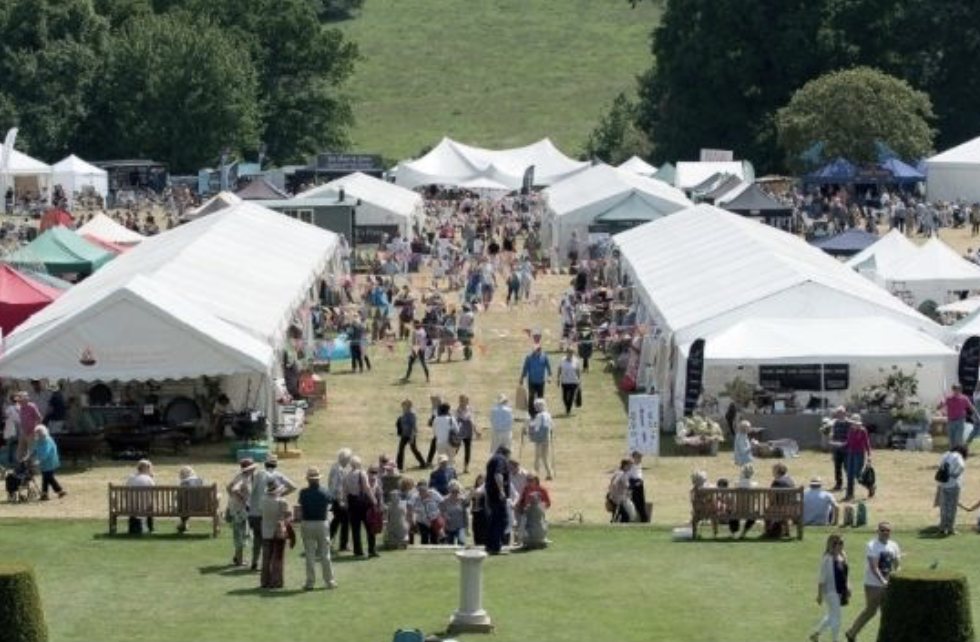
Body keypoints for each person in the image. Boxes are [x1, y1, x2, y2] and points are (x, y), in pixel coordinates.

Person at [844, 522, 901, 642]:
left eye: (887, 530)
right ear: (878, 531)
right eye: (882, 530)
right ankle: (852, 633)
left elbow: (897, 565)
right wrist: (883, 581)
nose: (885, 532)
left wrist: (897, 579)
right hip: (873, 584)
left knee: (888, 611)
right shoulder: (872, 545)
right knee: (871, 611)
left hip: (889, 584)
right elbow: (874, 567)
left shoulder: (894, 545)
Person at [248, 455, 297, 570]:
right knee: (272, 540)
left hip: (256, 511)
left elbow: (251, 491)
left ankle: (255, 562)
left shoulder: (259, 474)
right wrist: (278, 496)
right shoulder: (279, 475)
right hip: (271, 512)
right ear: (276, 465)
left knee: (258, 538)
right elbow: (293, 487)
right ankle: (271, 565)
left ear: (265, 464)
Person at [298, 467, 337, 590]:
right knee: (325, 555)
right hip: (321, 523)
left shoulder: (303, 492)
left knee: (309, 555)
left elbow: (300, 504)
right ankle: (329, 581)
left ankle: (310, 583)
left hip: (307, 523)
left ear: (308, 480)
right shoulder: (325, 491)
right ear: (318, 479)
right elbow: (331, 503)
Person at [810, 534, 850, 642]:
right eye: (836, 543)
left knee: (831, 615)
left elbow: (845, 574)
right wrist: (819, 595)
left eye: (841, 543)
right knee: (837, 618)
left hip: (840, 591)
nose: (839, 545)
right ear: (831, 545)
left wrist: (848, 587)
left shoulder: (843, 556)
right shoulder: (827, 559)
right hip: (830, 592)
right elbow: (821, 579)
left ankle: (816, 633)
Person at [343, 456, 379, 558]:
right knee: (370, 527)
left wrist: (345, 502)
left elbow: (344, 490)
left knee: (355, 528)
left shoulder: (347, 475)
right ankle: (371, 550)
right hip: (363, 503)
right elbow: (367, 488)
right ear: (359, 464)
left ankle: (358, 551)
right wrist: (374, 500)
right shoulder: (361, 473)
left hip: (352, 503)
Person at [259, 479, 292, 589]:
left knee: (266, 558)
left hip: (266, 532)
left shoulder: (263, 500)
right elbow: (287, 517)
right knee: (277, 558)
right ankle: (276, 582)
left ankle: (264, 582)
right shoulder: (282, 501)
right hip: (278, 533)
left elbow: (262, 512)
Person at [226, 458, 258, 566]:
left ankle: (237, 558)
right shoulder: (243, 478)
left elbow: (228, 487)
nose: (254, 469)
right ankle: (239, 560)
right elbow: (234, 489)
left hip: (237, 509)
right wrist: (244, 499)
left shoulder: (242, 476)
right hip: (240, 511)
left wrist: (232, 499)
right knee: (241, 534)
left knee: (241, 534)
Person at [484, 445, 512, 554]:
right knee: (502, 520)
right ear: (506, 454)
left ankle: (489, 545)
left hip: (491, 495)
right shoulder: (501, 459)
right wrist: (501, 490)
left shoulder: (493, 459)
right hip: (497, 496)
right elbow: (498, 474)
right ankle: (495, 546)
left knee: (493, 520)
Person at [936, 445, 967, 536]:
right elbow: (961, 466)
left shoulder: (946, 454)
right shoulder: (959, 457)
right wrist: (954, 474)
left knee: (944, 507)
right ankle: (950, 528)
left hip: (943, 484)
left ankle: (942, 527)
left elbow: (940, 465)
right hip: (954, 485)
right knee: (952, 508)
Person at [29, 425, 65, 501]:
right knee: (46, 478)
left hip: (50, 461)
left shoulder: (47, 440)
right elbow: (35, 450)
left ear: (43, 432)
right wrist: (28, 456)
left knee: (49, 477)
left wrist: (38, 461)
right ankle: (46, 495)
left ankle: (59, 491)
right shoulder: (38, 440)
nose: (38, 434)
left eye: (39, 433)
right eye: (37, 433)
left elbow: (46, 453)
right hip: (44, 463)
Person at [938, 383, 976, 449]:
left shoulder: (964, 398)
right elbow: (938, 407)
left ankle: (958, 453)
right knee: (951, 440)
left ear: (960, 390)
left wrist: (977, 416)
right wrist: (940, 403)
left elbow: (971, 407)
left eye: (958, 389)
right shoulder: (948, 398)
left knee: (958, 439)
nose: (956, 391)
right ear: (952, 390)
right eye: (954, 389)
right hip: (950, 421)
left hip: (960, 421)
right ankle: (953, 454)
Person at [844, 414, 873, 501]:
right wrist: (839, 445)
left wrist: (869, 455)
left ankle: (870, 487)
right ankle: (849, 494)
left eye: (855, 423)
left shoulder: (863, 431)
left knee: (858, 475)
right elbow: (848, 443)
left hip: (859, 454)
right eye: (852, 423)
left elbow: (867, 443)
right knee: (849, 474)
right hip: (851, 453)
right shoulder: (851, 430)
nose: (853, 425)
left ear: (858, 423)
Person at [328, 448, 352, 553]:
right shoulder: (338, 469)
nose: (349, 461)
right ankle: (343, 545)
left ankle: (326, 541)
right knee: (345, 521)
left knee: (336, 521)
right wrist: (340, 500)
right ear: (345, 459)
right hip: (338, 499)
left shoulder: (339, 467)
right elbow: (336, 487)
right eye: (348, 459)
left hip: (337, 499)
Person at [525, 399, 554, 480]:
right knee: (545, 457)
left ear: (541, 406)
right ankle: (549, 474)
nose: (535, 408)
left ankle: (536, 474)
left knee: (537, 457)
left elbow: (535, 426)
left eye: (537, 406)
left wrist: (528, 424)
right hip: (547, 437)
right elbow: (552, 425)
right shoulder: (548, 414)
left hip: (539, 438)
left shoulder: (539, 415)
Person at [520, 345, 551, 417]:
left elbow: (548, 367)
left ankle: (540, 413)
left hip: (541, 381)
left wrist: (549, 376)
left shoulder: (544, 357)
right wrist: (522, 378)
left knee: (540, 397)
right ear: (534, 350)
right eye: (537, 350)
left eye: (540, 350)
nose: (539, 352)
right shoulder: (529, 357)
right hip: (532, 381)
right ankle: (531, 413)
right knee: (531, 396)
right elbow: (525, 368)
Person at [409, 480, 445, 544]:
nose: (421, 491)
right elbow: (410, 506)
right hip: (422, 521)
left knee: (434, 538)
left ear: (427, 488)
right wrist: (412, 518)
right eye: (419, 489)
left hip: (434, 520)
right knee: (424, 538)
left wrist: (441, 513)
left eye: (423, 489)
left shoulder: (434, 493)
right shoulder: (415, 496)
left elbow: (442, 502)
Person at [395, 399, 426, 471]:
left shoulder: (412, 415)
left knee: (414, 449)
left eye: (404, 405)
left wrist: (412, 437)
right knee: (400, 450)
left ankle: (423, 463)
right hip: (404, 435)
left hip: (410, 435)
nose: (402, 407)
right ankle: (399, 467)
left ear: (408, 406)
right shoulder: (403, 414)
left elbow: (413, 427)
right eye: (402, 406)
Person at [126, 459, 155, 534]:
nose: (150, 470)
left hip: (131, 507)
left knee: (134, 501)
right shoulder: (149, 479)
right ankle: (150, 527)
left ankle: (132, 527)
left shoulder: (131, 478)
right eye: (150, 468)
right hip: (145, 507)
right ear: (146, 468)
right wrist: (152, 478)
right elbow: (153, 493)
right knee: (150, 503)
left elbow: (126, 494)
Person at [828, 407, 851, 491]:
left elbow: (851, 437)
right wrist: (832, 443)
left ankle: (850, 483)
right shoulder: (835, 423)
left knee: (847, 468)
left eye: (841, 413)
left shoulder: (849, 423)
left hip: (846, 450)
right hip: (837, 450)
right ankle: (838, 484)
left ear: (844, 413)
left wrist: (844, 443)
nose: (839, 414)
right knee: (837, 468)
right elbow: (833, 435)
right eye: (838, 413)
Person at [440, 480, 470, 545]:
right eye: (453, 491)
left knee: (461, 545)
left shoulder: (462, 500)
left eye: (457, 491)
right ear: (449, 491)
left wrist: (467, 528)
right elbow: (442, 513)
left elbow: (466, 515)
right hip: (449, 527)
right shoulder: (444, 500)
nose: (455, 493)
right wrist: (445, 516)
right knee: (449, 547)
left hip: (460, 527)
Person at [15, 391, 42, 462]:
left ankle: (35, 469)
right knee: (20, 451)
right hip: (23, 431)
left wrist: (35, 429)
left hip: (31, 432)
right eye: (18, 400)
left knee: (32, 451)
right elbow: (21, 420)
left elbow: (39, 418)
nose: (19, 401)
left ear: (25, 399)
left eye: (20, 399)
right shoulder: (19, 407)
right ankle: (21, 467)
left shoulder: (32, 406)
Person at [455, 394, 478, 474]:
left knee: (467, 450)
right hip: (460, 431)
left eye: (466, 400)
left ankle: (466, 467)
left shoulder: (469, 409)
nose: (465, 402)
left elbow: (472, 421)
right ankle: (449, 462)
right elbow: (461, 419)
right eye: (462, 400)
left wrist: (476, 431)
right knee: (456, 448)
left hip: (468, 431)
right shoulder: (458, 410)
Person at [177, 465, 203, 533]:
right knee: (185, 504)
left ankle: (183, 524)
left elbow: (179, 496)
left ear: (182, 474)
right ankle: (184, 524)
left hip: (186, 508)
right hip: (200, 507)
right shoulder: (199, 480)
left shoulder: (183, 482)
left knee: (182, 505)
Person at [557, 348, 582, 415]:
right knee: (564, 397)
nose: (570, 354)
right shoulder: (562, 360)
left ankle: (568, 410)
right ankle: (567, 408)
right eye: (569, 353)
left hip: (574, 381)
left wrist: (579, 380)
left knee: (571, 396)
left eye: (571, 353)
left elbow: (578, 371)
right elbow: (559, 369)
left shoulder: (576, 360)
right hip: (564, 381)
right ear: (566, 353)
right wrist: (558, 378)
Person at [627, 451, 648, 523]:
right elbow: (628, 477)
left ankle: (644, 521)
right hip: (633, 487)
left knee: (641, 505)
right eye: (638, 457)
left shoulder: (638, 465)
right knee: (633, 505)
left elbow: (639, 476)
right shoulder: (630, 465)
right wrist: (634, 484)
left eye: (640, 457)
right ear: (634, 457)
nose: (640, 459)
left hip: (639, 486)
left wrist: (639, 482)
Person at [470, 474, 487, 546]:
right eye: (479, 479)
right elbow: (468, 500)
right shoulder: (474, 489)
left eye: (482, 479)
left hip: (483, 513)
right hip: (475, 514)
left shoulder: (486, 490)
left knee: (483, 531)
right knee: (476, 531)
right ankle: (477, 545)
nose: (480, 481)